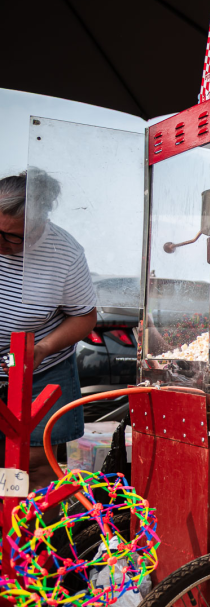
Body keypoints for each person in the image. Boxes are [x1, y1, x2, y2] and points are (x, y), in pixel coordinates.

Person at [0, 172, 97, 490]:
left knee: (32, 464)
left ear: (38, 225)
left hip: (39, 368)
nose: (1, 243)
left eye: (12, 236)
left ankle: (31, 537)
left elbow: (84, 317)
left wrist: (41, 349)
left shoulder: (64, 253)